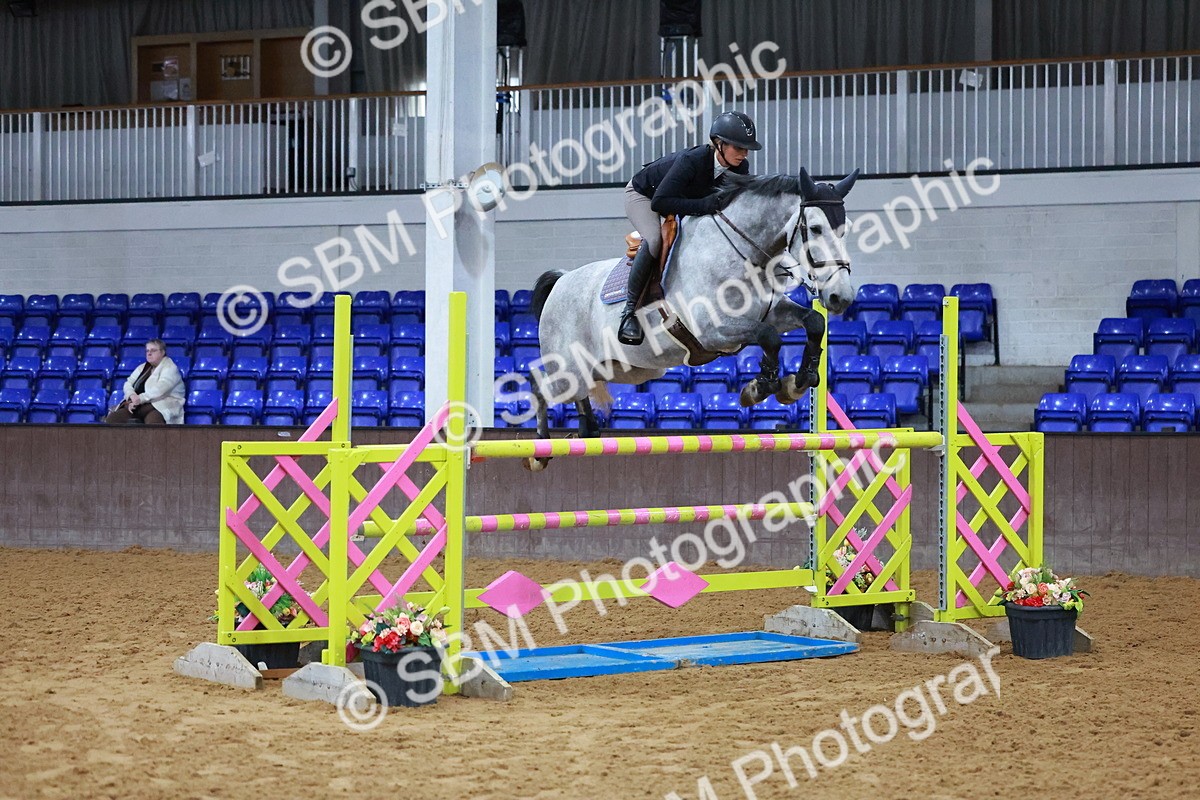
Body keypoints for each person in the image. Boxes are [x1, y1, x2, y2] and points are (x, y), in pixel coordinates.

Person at [618, 110, 762, 345]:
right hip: (645, 195)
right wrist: (704, 205)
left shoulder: (740, 169)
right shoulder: (693, 160)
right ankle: (630, 312)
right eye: (739, 147)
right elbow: (660, 202)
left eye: (747, 149)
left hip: (681, 199)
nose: (744, 153)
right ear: (719, 144)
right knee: (654, 239)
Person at [105, 339, 186, 425]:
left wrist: (139, 400)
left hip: (162, 405)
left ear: (162, 353)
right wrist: (132, 395)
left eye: (153, 350)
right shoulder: (142, 367)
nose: (149, 353)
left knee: (153, 421)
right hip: (140, 404)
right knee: (113, 418)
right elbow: (128, 383)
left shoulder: (170, 368)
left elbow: (159, 390)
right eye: (147, 350)